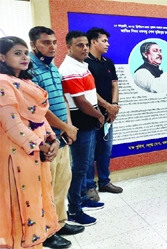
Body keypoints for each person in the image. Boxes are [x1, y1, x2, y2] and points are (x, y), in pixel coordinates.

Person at [0, 36, 60, 249]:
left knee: (38, 199)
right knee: (22, 203)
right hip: (17, 153)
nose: (24, 57)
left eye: (25, 53)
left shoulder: (27, 82)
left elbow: (39, 118)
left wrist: (52, 138)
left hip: (36, 152)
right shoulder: (2, 82)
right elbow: (13, 125)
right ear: (2, 57)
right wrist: (42, 145)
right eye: (17, 53)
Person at [28, 26, 84, 249]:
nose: (51, 47)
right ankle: (47, 231)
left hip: (62, 136)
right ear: (33, 44)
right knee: (46, 189)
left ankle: (59, 223)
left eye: (54, 42)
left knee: (62, 183)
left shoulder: (52, 68)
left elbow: (60, 98)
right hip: (47, 140)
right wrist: (63, 127)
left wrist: (68, 126)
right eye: (45, 43)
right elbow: (40, 108)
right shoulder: (30, 70)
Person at [60, 30, 105, 226]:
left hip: (89, 119)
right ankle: (74, 210)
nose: (85, 48)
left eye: (86, 44)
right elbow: (80, 102)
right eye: (79, 45)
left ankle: (82, 200)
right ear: (69, 47)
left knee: (84, 165)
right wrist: (99, 115)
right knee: (79, 168)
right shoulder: (69, 69)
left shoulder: (81, 65)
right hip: (81, 119)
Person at [84, 27, 123, 200]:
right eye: (104, 41)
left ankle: (105, 181)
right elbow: (88, 90)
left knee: (105, 149)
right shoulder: (84, 63)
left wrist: (113, 106)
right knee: (89, 152)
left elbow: (115, 85)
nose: (108, 44)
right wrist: (107, 106)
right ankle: (89, 186)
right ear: (93, 41)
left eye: (107, 41)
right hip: (90, 115)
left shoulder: (108, 62)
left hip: (108, 115)